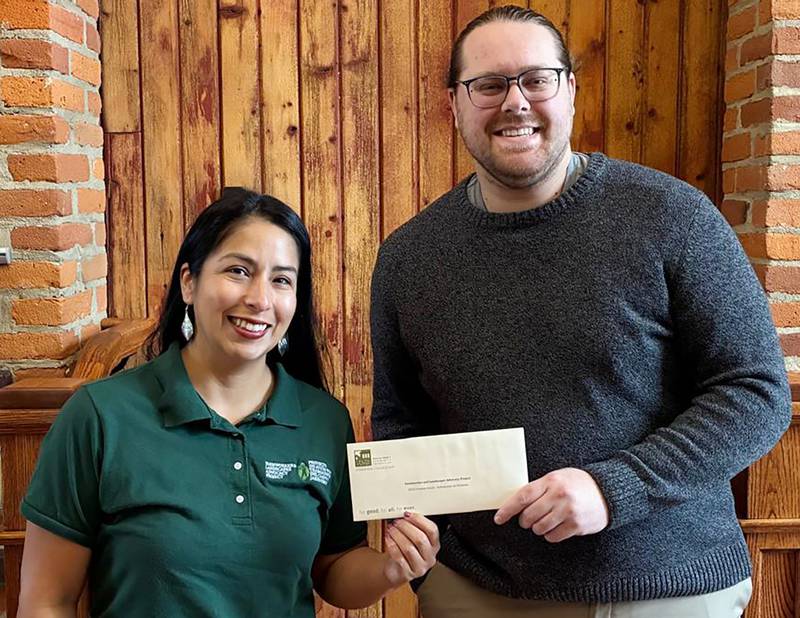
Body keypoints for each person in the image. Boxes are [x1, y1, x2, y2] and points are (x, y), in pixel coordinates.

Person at [369, 6, 791, 618]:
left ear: (569, 90)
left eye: (536, 79)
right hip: (477, 592)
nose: (515, 101)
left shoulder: (672, 216)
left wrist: (613, 489)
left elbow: (756, 393)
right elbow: (400, 421)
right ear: (454, 105)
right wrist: (412, 530)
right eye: (488, 84)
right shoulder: (408, 258)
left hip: (663, 588)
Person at [18, 188, 439, 618]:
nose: (259, 299)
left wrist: (391, 568)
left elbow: (333, 567)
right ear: (189, 282)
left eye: (281, 280)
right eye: (238, 271)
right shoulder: (99, 416)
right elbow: (46, 602)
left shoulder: (324, 420)